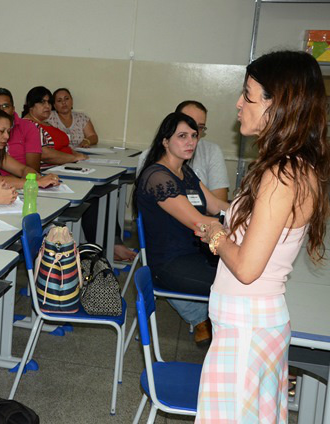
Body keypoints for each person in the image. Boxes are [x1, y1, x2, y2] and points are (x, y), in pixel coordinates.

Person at [195, 51, 330, 423]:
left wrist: (216, 234)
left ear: (279, 105)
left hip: (246, 328)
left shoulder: (282, 173)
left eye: (249, 96)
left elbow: (248, 267)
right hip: (251, 322)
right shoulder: (294, 166)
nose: (239, 104)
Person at [134, 112, 229, 345]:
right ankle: (228, 352)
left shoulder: (184, 171)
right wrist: (252, 224)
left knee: (242, 277)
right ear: (165, 141)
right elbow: (199, 221)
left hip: (195, 254)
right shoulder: (157, 177)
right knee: (234, 286)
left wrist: (247, 212)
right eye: (182, 136)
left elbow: (215, 204)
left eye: (194, 136)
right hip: (169, 264)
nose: (190, 142)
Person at [137, 100, 230, 202]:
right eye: (183, 135)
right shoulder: (153, 165)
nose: (192, 139)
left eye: (199, 128)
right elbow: (190, 217)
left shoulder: (187, 171)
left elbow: (218, 203)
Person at [0, 107, 60, 190]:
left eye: (8, 131)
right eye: (1, 131)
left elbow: (23, 169)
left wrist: (39, 178)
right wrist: (37, 183)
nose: (7, 137)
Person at [21, 86, 87, 165]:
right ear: (31, 105)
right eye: (42, 102)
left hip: (69, 165)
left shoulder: (45, 123)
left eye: (49, 102)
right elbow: (45, 154)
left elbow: (64, 147)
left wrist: (79, 155)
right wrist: (74, 158)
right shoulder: (29, 125)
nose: (47, 106)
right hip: (51, 171)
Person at [0, 88, 42, 172]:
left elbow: (32, 170)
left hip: (23, 181)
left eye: (6, 106)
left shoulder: (28, 127)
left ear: (13, 109)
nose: (1, 110)